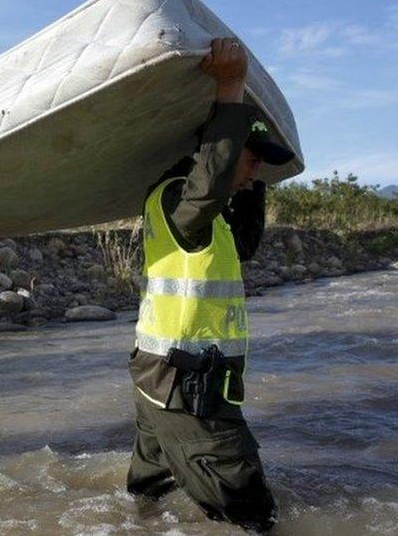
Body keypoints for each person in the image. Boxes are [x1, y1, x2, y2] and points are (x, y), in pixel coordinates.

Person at [126, 37, 296, 532]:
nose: (254, 172)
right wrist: (230, 85)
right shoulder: (184, 199)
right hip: (189, 389)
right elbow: (213, 175)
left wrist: (255, 181)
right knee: (254, 515)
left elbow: (244, 244)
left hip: (160, 379)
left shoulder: (205, 221)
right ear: (217, 156)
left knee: (150, 492)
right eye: (251, 161)